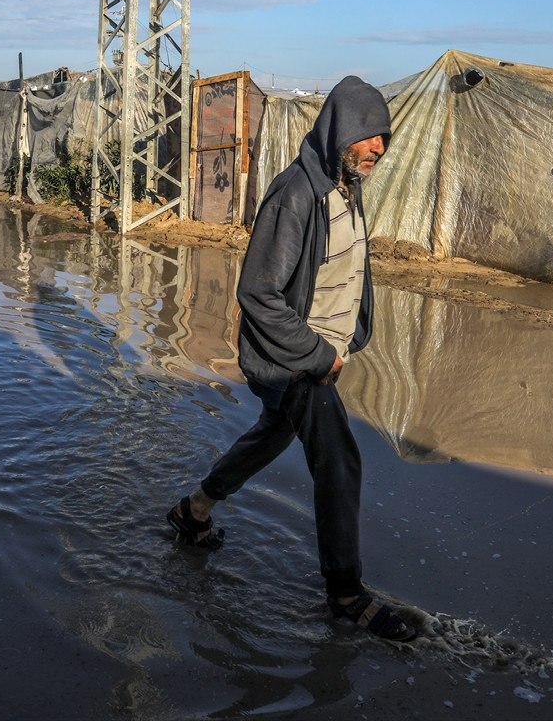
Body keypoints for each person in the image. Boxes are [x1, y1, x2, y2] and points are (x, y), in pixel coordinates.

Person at [166, 75, 418, 643]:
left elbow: (348, 270)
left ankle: (194, 510)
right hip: (296, 360)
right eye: (369, 136)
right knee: (340, 458)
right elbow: (258, 293)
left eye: (385, 138)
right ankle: (346, 593)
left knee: (272, 435)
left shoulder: (346, 187)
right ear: (340, 132)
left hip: (321, 354)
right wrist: (319, 355)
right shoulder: (296, 193)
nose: (379, 148)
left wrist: (353, 335)